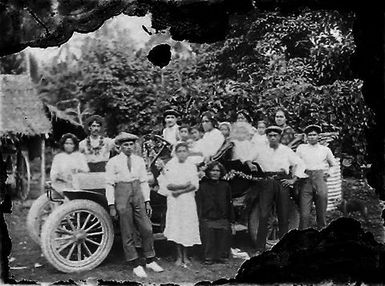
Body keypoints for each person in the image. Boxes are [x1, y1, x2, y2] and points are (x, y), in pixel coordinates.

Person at [105, 132, 163, 278]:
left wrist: (147, 201)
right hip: (122, 192)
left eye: (131, 144)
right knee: (127, 229)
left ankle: (150, 259)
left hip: (138, 192)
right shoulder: (113, 162)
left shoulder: (139, 161)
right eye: (126, 145)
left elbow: (144, 182)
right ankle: (135, 263)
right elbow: (109, 184)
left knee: (147, 227)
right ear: (119, 147)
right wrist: (112, 205)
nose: (129, 147)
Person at [248, 126, 306, 254]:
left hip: (282, 182)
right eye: (270, 135)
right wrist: (250, 164)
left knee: (283, 215)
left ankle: (283, 247)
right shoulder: (260, 150)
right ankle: (260, 248)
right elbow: (248, 158)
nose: (273, 138)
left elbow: (300, 163)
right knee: (263, 215)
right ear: (267, 137)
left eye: (275, 135)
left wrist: (293, 180)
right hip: (267, 182)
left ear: (279, 137)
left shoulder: (286, 150)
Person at [158, 142, 201, 266]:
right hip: (174, 200)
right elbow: (168, 184)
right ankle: (178, 256)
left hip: (187, 200)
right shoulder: (171, 165)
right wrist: (183, 185)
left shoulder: (191, 166)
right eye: (179, 151)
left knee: (186, 225)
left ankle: (186, 256)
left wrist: (181, 190)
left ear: (188, 152)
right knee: (177, 225)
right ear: (176, 153)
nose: (182, 153)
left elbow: (194, 185)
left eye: (184, 151)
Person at [296, 124, 336, 230]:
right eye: (309, 135)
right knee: (304, 214)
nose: (312, 137)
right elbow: (297, 164)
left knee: (321, 213)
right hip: (306, 180)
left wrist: (329, 173)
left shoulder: (325, 149)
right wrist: (299, 175)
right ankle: (303, 238)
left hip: (320, 179)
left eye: (314, 135)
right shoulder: (301, 148)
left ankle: (321, 237)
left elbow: (333, 164)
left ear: (318, 136)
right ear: (306, 136)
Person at [196, 161, 234, 265]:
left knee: (225, 229)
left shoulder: (225, 186)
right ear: (208, 172)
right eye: (213, 170)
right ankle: (209, 257)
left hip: (222, 218)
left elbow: (229, 204)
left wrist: (231, 221)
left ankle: (222, 256)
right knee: (208, 230)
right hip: (207, 218)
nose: (215, 173)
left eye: (217, 171)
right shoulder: (202, 186)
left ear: (221, 172)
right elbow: (199, 205)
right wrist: (200, 220)